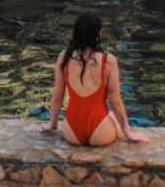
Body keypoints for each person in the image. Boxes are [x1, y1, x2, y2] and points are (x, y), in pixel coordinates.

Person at [43, 12, 147, 146]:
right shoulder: (108, 61)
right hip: (100, 131)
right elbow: (115, 101)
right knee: (112, 114)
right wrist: (128, 132)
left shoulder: (64, 57)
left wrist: (52, 124)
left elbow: (57, 96)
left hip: (72, 131)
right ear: (98, 34)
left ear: (75, 33)